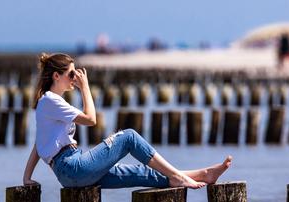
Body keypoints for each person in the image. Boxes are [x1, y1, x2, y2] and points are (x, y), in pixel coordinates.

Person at [22, 53, 232, 189]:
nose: (75, 78)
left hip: (70, 174)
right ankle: (181, 178)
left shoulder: (48, 103)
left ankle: (203, 174)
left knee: (139, 173)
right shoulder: (51, 101)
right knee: (129, 136)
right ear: (56, 76)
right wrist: (85, 88)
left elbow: (39, 145)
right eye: (71, 74)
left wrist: (26, 177)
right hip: (73, 167)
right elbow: (91, 119)